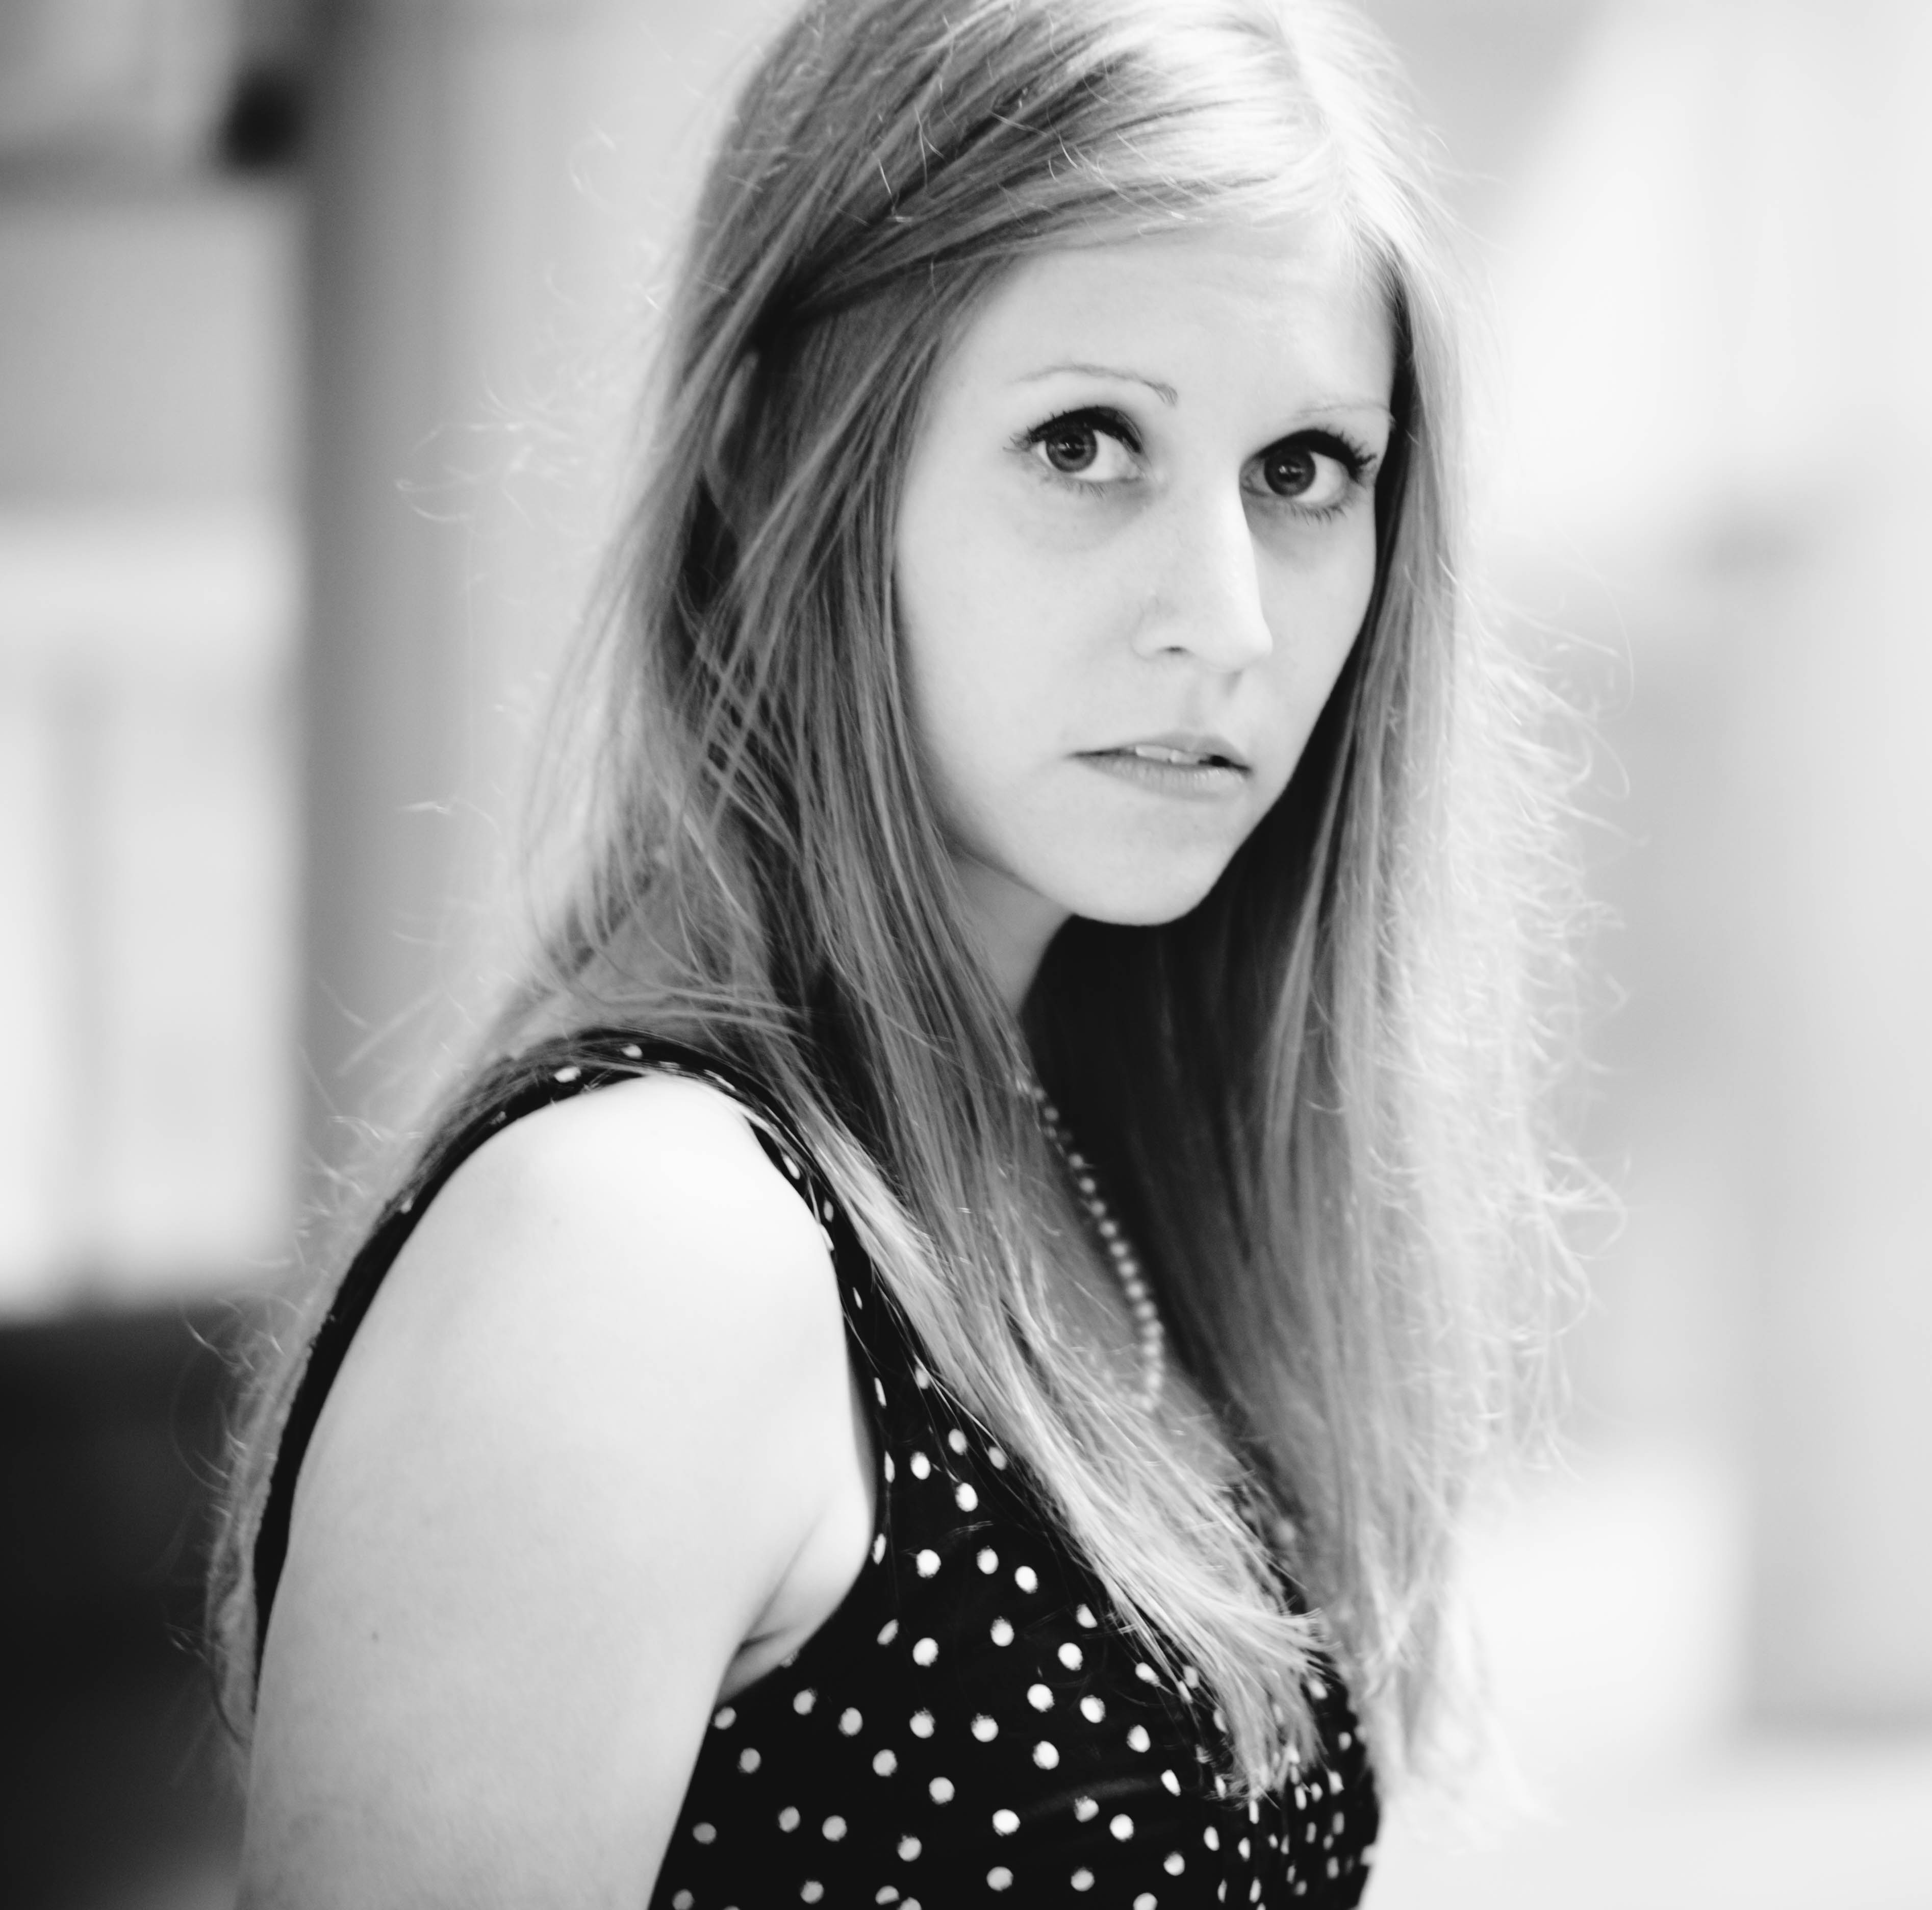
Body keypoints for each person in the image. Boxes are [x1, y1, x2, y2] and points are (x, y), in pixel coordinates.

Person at [211, 0, 1581, 1900]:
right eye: (1085, 442)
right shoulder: (637, 1249)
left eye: (1303, 472)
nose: (1228, 620)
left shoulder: (1066, 1167)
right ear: (786, 460)